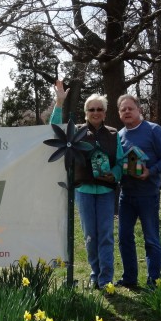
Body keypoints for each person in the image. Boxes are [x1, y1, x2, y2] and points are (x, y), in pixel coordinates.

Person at [49, 80, 123, 289]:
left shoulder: (113, 133)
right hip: (84, 191)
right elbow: (53, 130)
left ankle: (106, 278)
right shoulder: (77, 131)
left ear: (105, 112)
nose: (96, 112)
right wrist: (59, 103)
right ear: (85, 112)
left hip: (107, 192)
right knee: (90, 235)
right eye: (92, 109)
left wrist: (115, 174)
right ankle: (95, 273)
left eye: (100, 109)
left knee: (106, 235)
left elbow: (120, 161)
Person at [116, 94, 161, 289]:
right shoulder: (120, 135)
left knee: (151, 239)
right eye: (123, 109)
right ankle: (130, 278)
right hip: (126, 195)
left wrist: (150, 171)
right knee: (124, 238)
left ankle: (153, 280)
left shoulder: (153, 130)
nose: (127, 112)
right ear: (119, 113)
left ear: (139, 110)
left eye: (130, 108)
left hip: (148, 195)